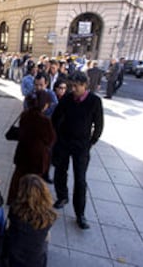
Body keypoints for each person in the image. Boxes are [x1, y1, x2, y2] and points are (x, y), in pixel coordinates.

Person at [52, 71, 104, 230]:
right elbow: (55, 117)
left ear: (84, 85)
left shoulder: (94, 101)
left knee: (80, 179)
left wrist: (91, 142)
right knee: (60, 171)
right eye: (71, 86)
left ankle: (80, 214)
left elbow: (99, 124)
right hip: (64, 142)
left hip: (81, 146)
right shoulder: (67, 99)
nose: (72, 89)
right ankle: (62, 197)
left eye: (76, 86)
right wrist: (57, 137)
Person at [7, 90, 56, 205]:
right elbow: (50, 139)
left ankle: (13, 199)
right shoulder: (45, 121)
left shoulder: (25, 115)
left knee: (18, 177)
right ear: (44, 104)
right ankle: (30, 203)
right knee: (33, 181)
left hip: (23, 152)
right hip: (37, 157)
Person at [5, 174, 57, 267]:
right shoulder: (49, 215)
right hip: (36, 261)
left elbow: (10, 228)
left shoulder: (15, 210)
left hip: (14, 258)